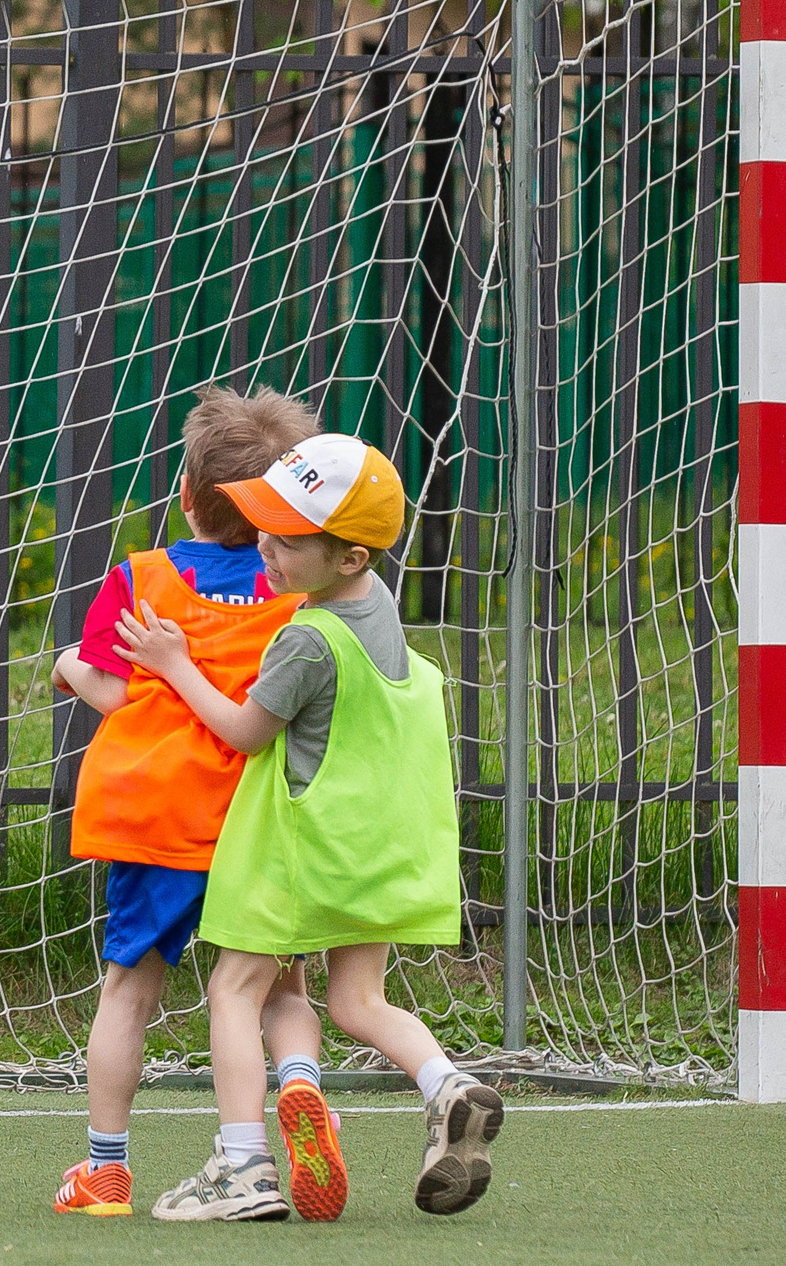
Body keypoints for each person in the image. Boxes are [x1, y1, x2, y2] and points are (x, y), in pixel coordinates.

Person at [115, 433, 502, 1223]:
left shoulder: (306, 637)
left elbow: (245, 730)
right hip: (376, 849)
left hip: (305, 852)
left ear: (351, 555)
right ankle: (447, 1085)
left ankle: (244, 1167)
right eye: (263, 523)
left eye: (288, 538)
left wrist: (176, 660)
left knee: (234, 986)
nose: (266, 544)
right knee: (358, 999)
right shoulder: (380, 611)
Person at [49, 386, 321, 1219]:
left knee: (129, 989)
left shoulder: (146, 578)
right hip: (259, 820)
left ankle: (105, 1172)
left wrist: (65, 663)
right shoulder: (298, 589)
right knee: (280, 990)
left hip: (158, 820)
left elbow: (114, 693)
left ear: (183, 494)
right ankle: (306, 1096)